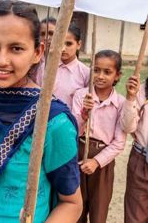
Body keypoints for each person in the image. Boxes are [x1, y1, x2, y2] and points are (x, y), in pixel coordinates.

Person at [0, 0, 82, 223]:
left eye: (16, 48)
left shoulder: (54, 120)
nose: (2, 60)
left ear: (37, 52)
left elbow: (71, 203)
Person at [72, 50, 126, 223]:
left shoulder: (121, 103)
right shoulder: (81, 95)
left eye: (107, 72)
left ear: (117, 76)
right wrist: (84, 114)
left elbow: (119, 142)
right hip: (79, 152)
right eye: (96, 70)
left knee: (99, 208)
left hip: (103, 161)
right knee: (76, 207)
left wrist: (96, 162)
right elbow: (73, 129)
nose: (100, 76)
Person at [120, 74, 148, 223]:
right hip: (141, 160)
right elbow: (127, 127)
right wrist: (131, 98)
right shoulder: (141, 91)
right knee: (135, 217)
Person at [53, 22, 90, 110]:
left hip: (71, 121)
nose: (63, 49)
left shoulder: (86, 73)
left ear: (79, 44)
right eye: (60, 43)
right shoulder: (45, 68)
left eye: (68, 44)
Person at [34, 16, 56, 86]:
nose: (46, 38)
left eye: (51, 33)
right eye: (42, 34)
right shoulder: (33, 59)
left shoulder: (64, 62)